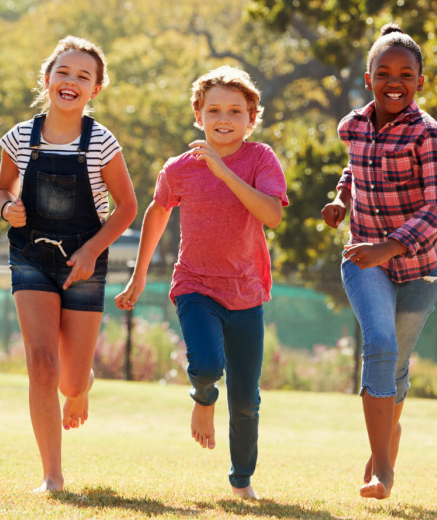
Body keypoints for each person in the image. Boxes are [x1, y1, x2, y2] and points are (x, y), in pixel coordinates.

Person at [115, 65, 287, 500]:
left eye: (235, 110)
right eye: (213, 109)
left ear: (252, 118)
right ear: (198, 114)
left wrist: (224, 171)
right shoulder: (179, 169)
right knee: (208, 365)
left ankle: (241, 480)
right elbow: (156, 215)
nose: (223, 118)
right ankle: (203, 396)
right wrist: (138, 276)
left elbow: (272, 215)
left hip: (246, 292)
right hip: (194, 287)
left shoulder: (260, 159)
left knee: (247, 400)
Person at [320, 23, 437, 500]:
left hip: (418, 269)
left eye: (405, 73)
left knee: (396, 366)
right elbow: (355, 166)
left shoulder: (429, 135)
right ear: (368, 78)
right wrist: (341, 198)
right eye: (384, 72)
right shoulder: (354, 126)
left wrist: (391, 246)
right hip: (363, 259)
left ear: (420, 81)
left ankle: (385, 441)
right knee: (378, 344)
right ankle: (383, 469)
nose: (393, 81)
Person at [0, 36, 137, 492]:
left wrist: (92, 251)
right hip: (30, 255)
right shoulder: (19, 137)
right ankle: (52, 476)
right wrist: (4, 209)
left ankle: (82, 385)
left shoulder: (101, 141)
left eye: (83, 76)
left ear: (95, 89)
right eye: (64, 72)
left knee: (70, 382)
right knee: (41, 363)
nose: (71, 81)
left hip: (84, 258)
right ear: (48, 79)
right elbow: (2, 189)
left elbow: (128, 207)